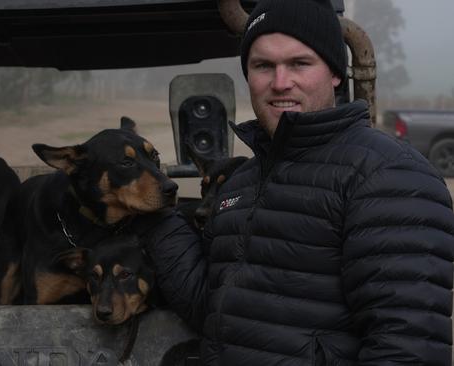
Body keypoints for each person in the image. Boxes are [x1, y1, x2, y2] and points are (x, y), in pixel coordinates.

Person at [135, 0, 454, 364]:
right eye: (263, 66)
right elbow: (217, 313)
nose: (280, 82)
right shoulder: (242, 185)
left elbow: (408, 349)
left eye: (299, 63)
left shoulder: (388, 175)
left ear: (335, 73)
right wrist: (153, 216)